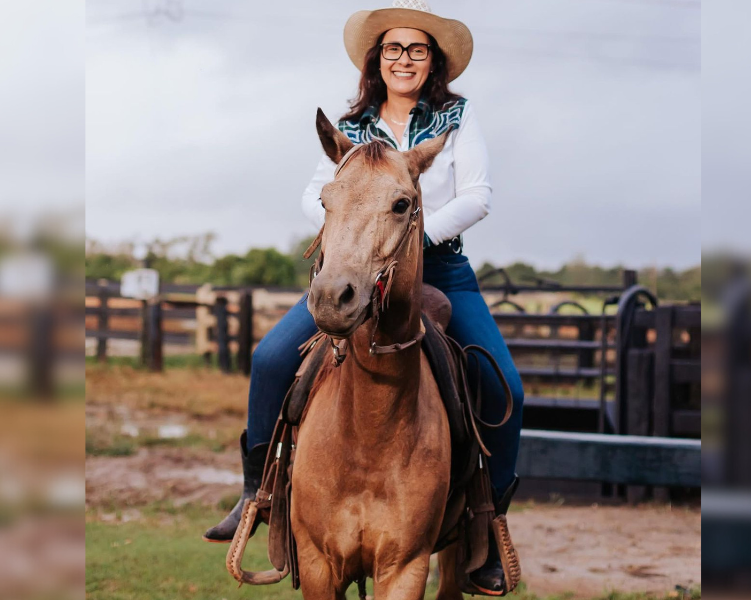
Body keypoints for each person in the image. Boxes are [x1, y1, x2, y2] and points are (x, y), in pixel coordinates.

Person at [204, 0, 525, 592]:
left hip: (440, 269)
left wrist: (412, 235)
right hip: (356, 267)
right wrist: (349, 231)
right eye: (394, 49)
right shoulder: (350, 129)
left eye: (417, 50)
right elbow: (314, 194)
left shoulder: (457, 116)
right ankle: (258, 495)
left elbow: (477, 195)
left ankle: (488, 525)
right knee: (270, 359)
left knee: (506, 385)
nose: (405, 59)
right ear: (378, 59)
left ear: (433, 61)